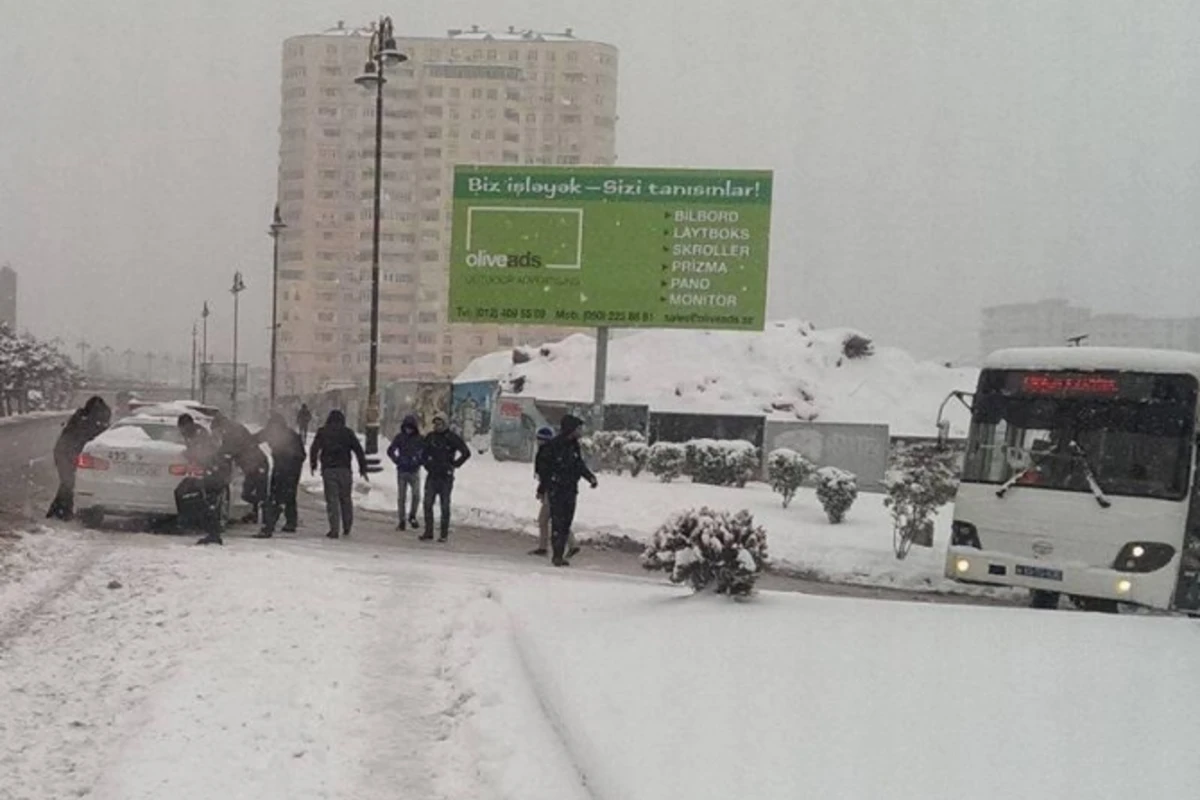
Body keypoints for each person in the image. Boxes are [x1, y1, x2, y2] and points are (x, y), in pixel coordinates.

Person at [538, 415, 598, 567]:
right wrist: (544, 487)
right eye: (578, 428)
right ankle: (557, 555)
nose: (580, 431)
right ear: (571, 429)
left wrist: (589, 477)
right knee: (557, 521)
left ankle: (560, 552)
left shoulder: (574, 445)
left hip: (571, 489)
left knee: (566, 522)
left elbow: (579, 464)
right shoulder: (555, 445)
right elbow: (545, 469)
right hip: (557, 488)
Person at [46, 396, 111, 521]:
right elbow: (85, 438)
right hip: (67, 453)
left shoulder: (82, 417)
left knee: (68, 483)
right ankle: (62, 512)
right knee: (69, 482)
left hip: (65, 452)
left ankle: (59, 511)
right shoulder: (87, 422)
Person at [309, 409, 369, 539]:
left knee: (332, 500)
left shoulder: (323, 432)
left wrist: (313, 464)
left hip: (329, 470)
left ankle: (334, 529)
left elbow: (314, 449)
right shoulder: (347, 433)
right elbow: (358, 450)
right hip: (345, 470)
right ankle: (347, 526)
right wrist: (363, 467)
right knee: (346, 499)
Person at [175, 413, 232, 545]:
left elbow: (204, 454)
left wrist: (189, 454)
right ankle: (205, 529)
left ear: (186, 425)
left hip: (214, 471)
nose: (181, 431)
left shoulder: (200, 435)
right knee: (194, 496)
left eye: (181, 428)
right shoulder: (194, 434)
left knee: (208, 501)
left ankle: (213, 533)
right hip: (208, 471)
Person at [211, 412, 270, 525]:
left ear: (219, 426)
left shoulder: (232, 432)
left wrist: (218, 456)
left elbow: (229, 449)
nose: (217, 434)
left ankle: (268, 519)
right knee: (248, 493)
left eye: (216, 430)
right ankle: (255, 513)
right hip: (251, 465)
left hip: (257, 464)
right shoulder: (232, 429)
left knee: (259, 493)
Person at [419, 413, 470, 542]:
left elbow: (466, 452)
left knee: (445, 505)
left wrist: (455, 464)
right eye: (435, 424)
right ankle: (428, 531)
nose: (437, 426)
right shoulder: (430, 437)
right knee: (427, 503)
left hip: (445, 477)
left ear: (445, 424)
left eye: (440, 423)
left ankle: (443, 534)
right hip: (432, 475)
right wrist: (426, 464)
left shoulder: (451, 438)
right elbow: (422, 452)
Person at [530, 425, 577, 557]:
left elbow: (545, 475)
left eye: (539, 439)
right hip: (554, 489)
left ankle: (545, 547)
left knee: (546, 519)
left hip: (551, 490)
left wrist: (541, 489)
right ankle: (571, 543)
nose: (537, 441)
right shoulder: (553, 451)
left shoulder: (545, 453)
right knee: (558, 518)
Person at [257, 412, 306, 538]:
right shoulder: (292, 434)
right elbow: (302, 454)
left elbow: (254, 439)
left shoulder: (272, 433)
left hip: (282, 467)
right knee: (290, 495)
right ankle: (290, 522)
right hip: (293, 468)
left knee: (275, 495)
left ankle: (270, 524)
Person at [386, 414, 424, 531]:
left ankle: (412, 515)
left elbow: (425, 452)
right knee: (401, 497)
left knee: (416, 495)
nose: (408, 430)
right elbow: (390, 450)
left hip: (414, 470)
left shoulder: (419, 439)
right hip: (402, 470)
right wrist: (397, 460)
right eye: (407, 427)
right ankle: (401, 520)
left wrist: (419, 461)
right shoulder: (400, 438)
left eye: (410, 428)